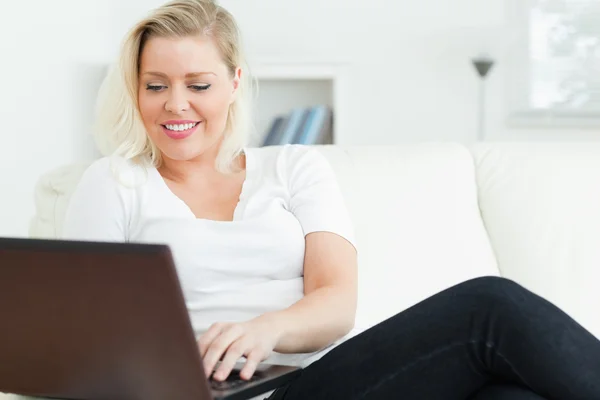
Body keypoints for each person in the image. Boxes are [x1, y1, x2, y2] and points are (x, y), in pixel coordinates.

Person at [62, 0, 600, 399]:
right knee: (490, 304)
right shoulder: (114, 184)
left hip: (318, 382)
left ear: (233, 83)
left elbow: (337, 301)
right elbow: (86, 336)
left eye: (197, 84)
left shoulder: (296, 166)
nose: (175, 105)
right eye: (155, 85)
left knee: (510, 396)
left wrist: (266, 327)